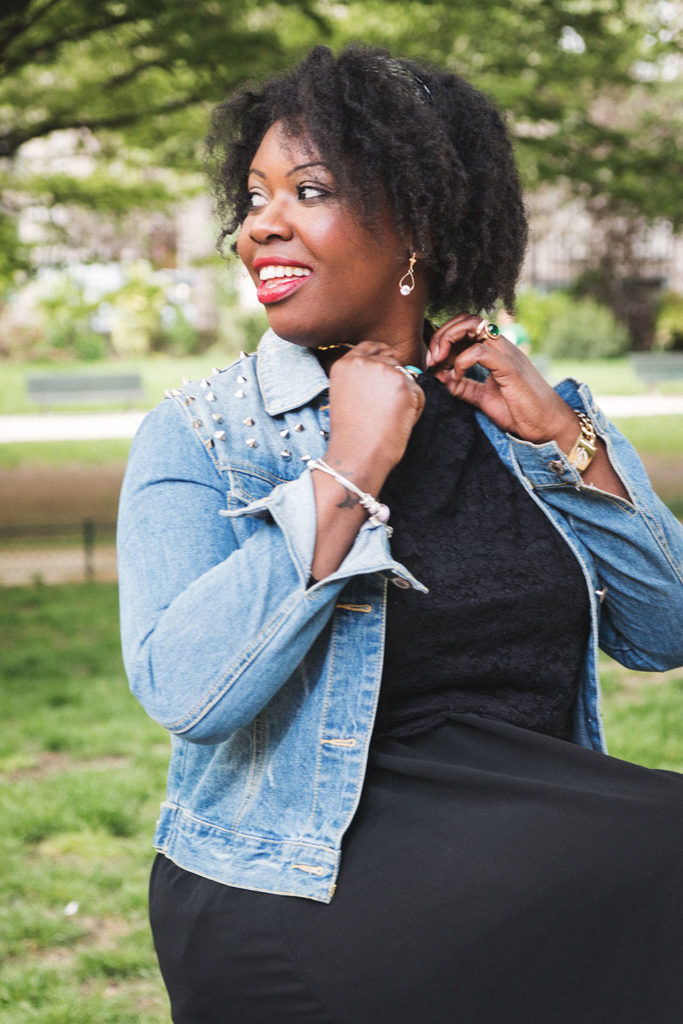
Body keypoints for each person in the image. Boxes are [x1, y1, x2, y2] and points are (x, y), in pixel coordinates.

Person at [117, 44, 683, 1024]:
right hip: (305, 877)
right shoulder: (210, 431)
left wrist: (564, 439)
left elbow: (662, 628)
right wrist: (346, 472)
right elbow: (183, 688)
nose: (263, 226)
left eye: (308, 188)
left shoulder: (514, 411)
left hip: (530, 843)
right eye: (253, 197)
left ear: (418, 222)